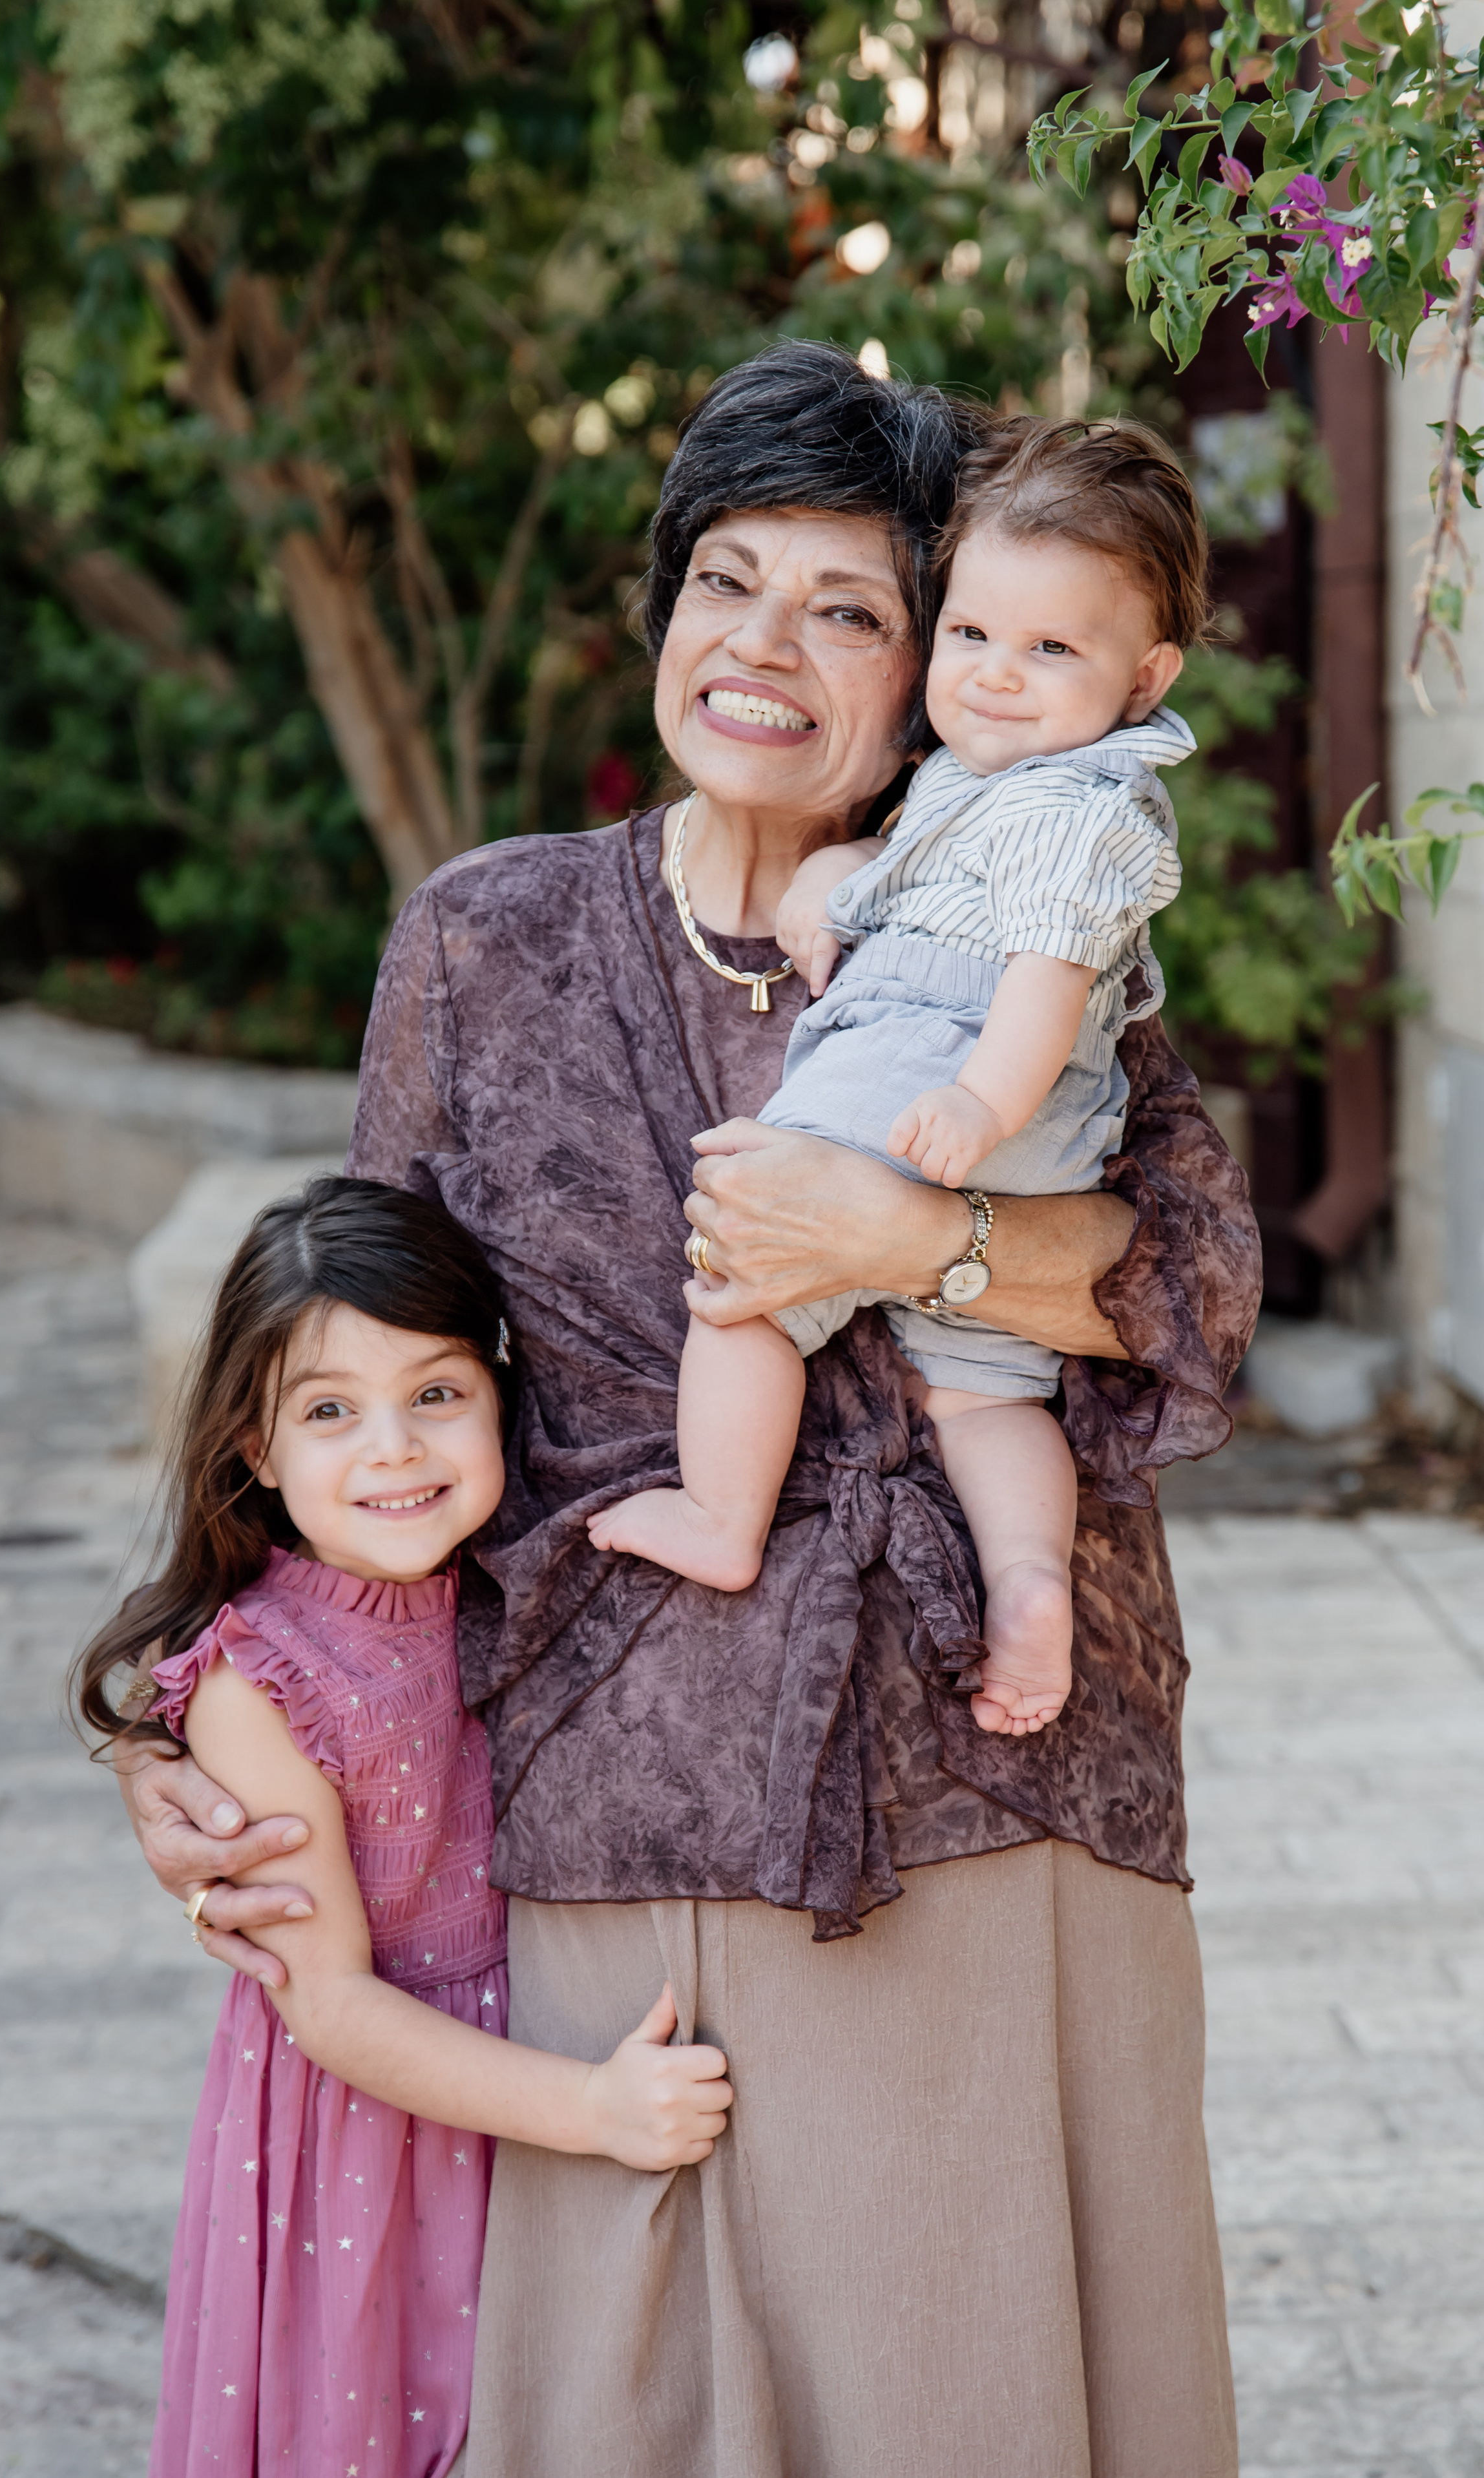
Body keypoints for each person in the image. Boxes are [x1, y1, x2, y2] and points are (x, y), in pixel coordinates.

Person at [113, 341, 1257, 2477]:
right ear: (656, 614)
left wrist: (902, 1242)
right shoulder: (487, 940)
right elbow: (353, 1383)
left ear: (942, 670)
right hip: (608, 1795)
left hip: (986, 1774)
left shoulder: (1023, 919)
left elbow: (1191, 1290)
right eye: (725, 582)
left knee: (961, 2369)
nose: (765, 646)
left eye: (850, 609)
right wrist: (200, 1721)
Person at [72, 1177, 731, 2478]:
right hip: (378, 2134)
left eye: (435, 1393)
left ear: (497, 1398)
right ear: (253, 1448)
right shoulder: (262, 1681)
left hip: (524, 2071)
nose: (394, 1449)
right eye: (330, 1411)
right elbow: (331, 2005)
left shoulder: (509, 1581)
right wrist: (593, 2110)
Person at [589, 417, 1206, 1747]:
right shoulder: (995, 782)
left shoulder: (1065, 806)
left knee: (747, 1274)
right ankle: (1027, 1580)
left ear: (1144, 676)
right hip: (1031, 1129)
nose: (995, 676)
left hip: (934, 1080)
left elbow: (1041, 976)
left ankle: (718, 1513)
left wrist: (969, 1124)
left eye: (1050, 650)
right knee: (988, 1390)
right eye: (975, 636)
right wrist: (836, 885)